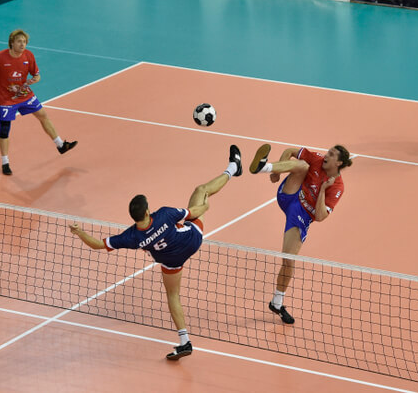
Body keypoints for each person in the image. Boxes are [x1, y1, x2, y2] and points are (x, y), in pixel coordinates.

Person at [69, 145, 243, 360]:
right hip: (191, 240)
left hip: (171, 261)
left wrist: (78, 232)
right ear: (147, 211)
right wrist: (205, 207)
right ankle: (232, 169)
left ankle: (184, 341)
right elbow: (195, 211)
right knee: (200, 190)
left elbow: (97, 244)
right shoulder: (164, 214)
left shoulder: (131, 237)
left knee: (173, 295)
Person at [249, 143, 352, 324]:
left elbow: (320, 216)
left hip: (303, 216)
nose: (327, 155)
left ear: (339, 163)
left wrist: (322, 189)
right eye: (329, 152)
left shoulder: (337, 187)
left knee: (288, 261)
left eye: (332, 154)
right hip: (291, 195)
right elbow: (290, 151)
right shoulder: (318, 159)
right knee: (303, 165)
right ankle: (264, 167)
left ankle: (277, 303)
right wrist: (276, 172)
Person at [0, 29, 77, 175]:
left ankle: (60, 145)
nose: (23, 44)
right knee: (4, 129)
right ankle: (5, 162)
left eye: (24, 41)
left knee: (43, 115)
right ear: (12, 43)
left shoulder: (29, 55)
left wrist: (35, 80)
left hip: (24, 94)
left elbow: (37, 75)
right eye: (19, 41)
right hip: (5, 99)